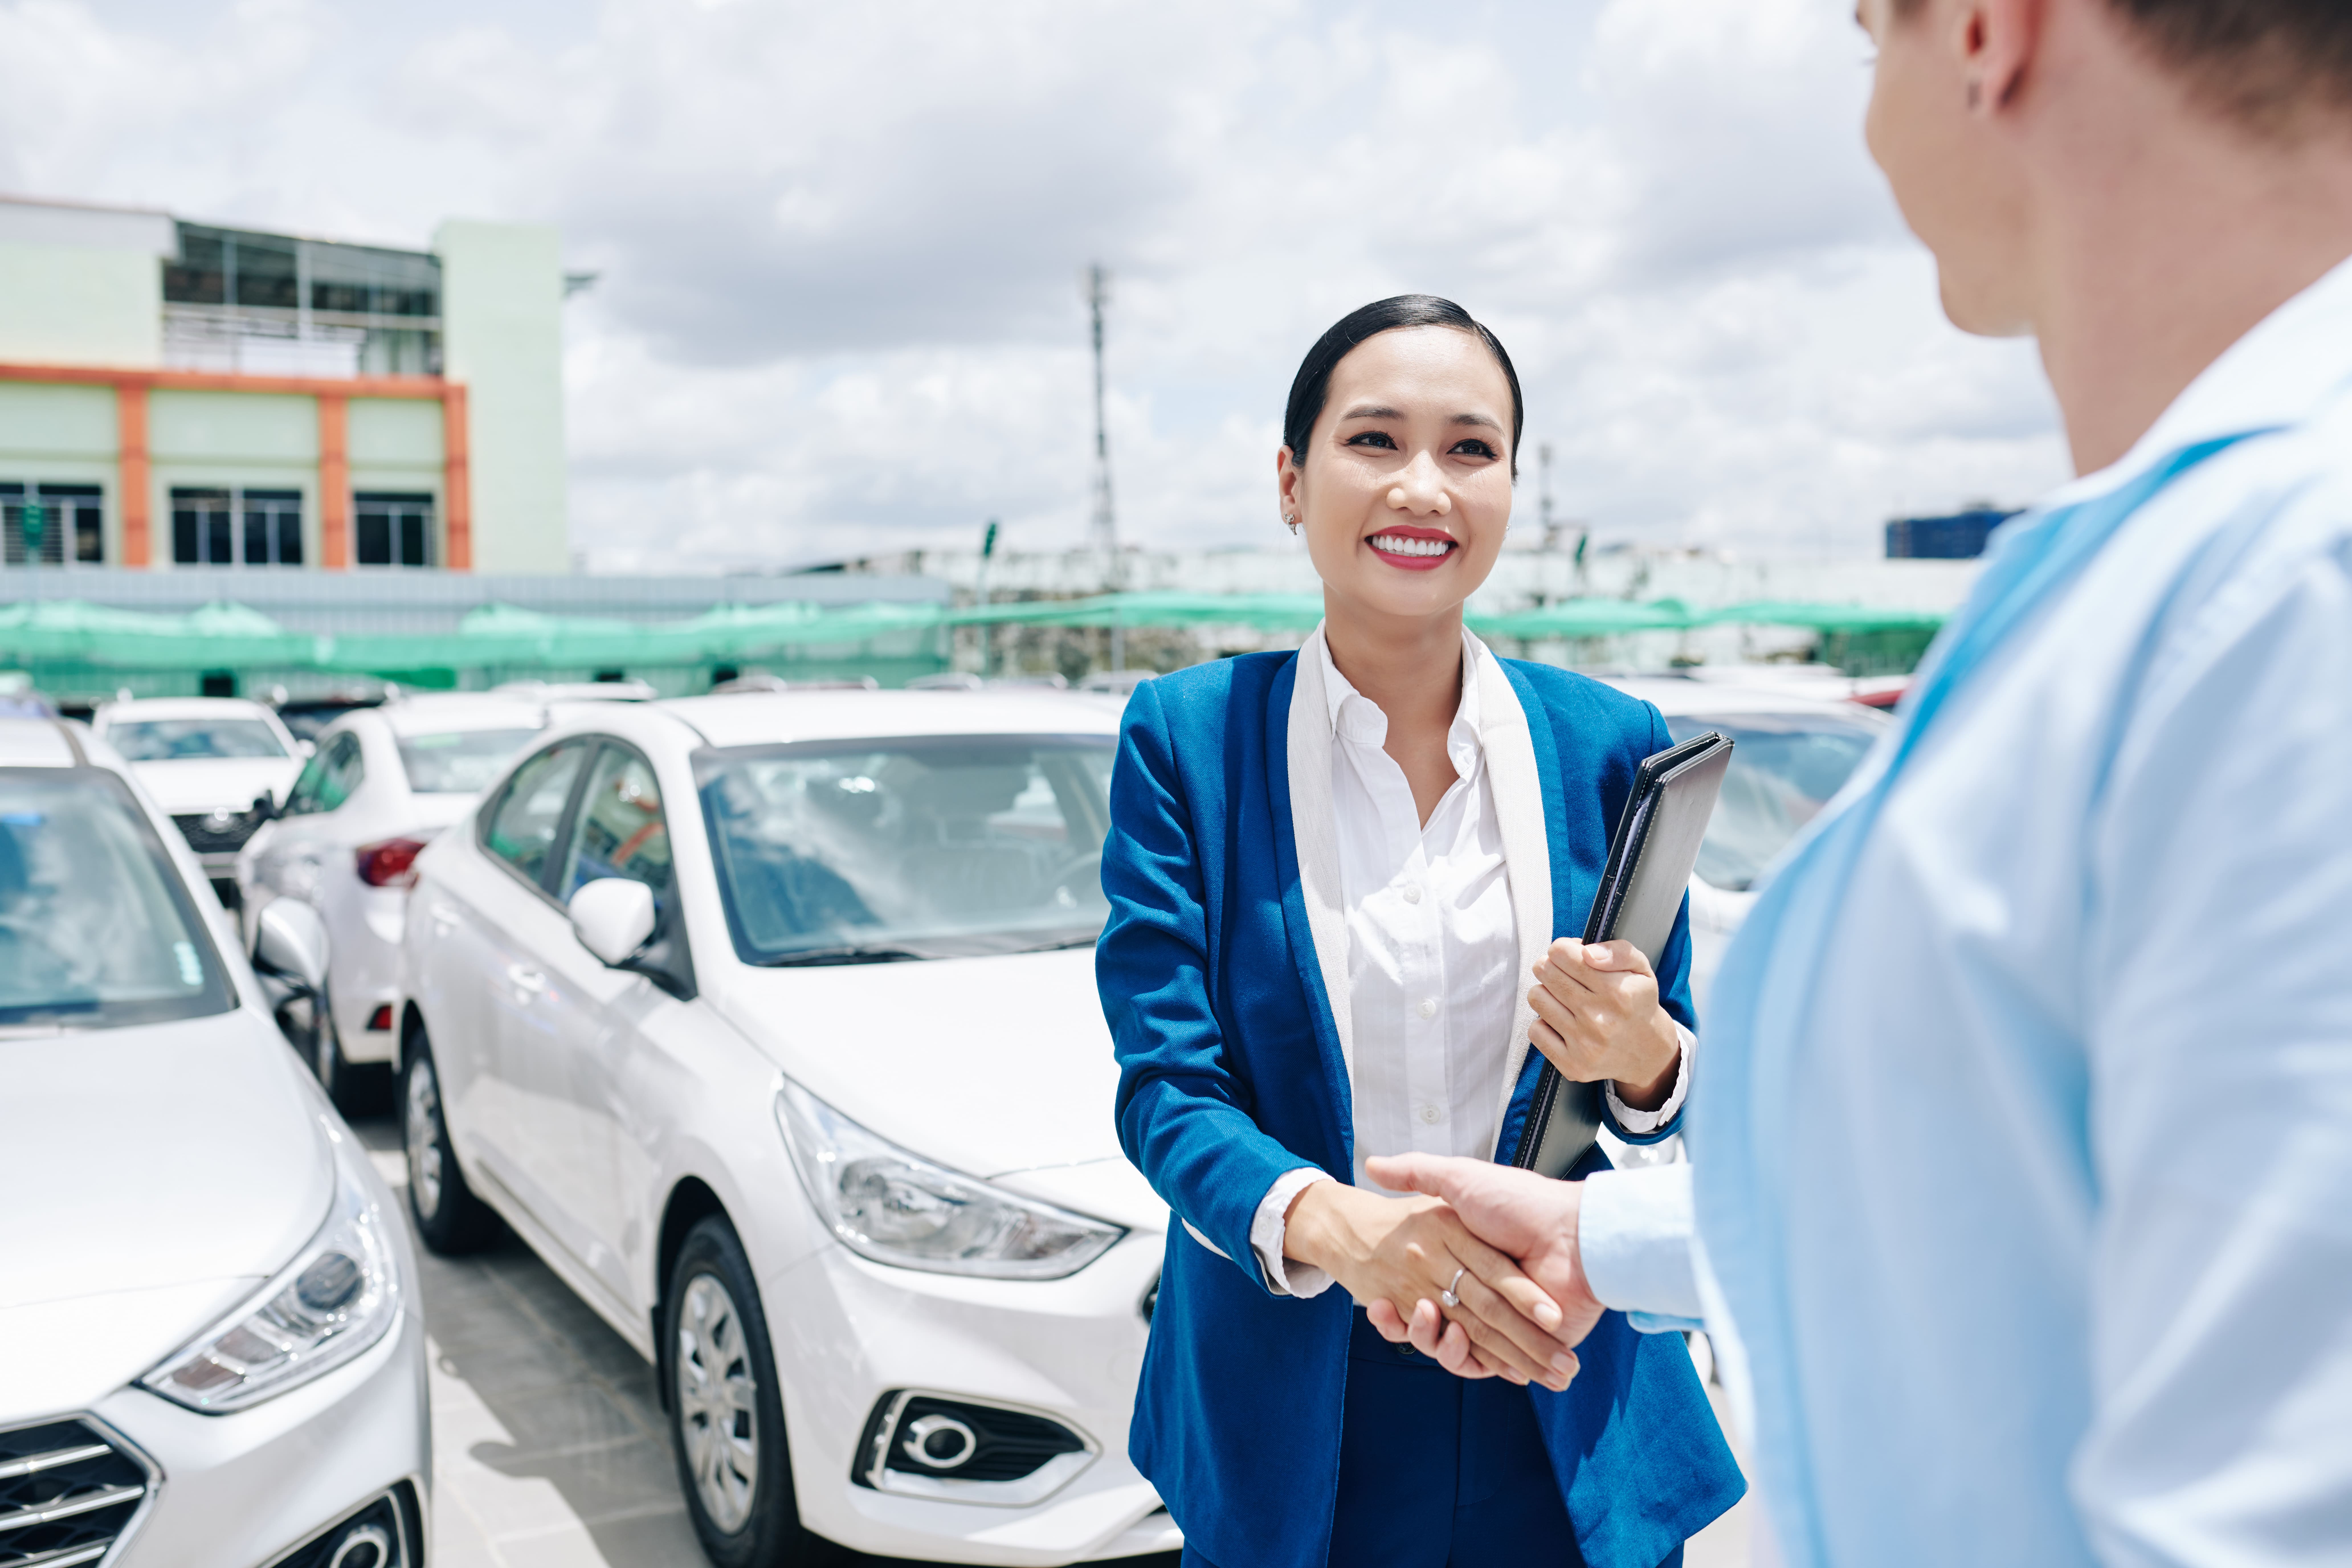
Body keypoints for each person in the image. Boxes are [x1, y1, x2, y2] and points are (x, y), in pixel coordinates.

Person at [1368, 1, 2352, 1564]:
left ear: (1986, 31)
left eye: (1862, 33)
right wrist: (1613, 1237)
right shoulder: (2211, 571)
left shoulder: (2285, 592)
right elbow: (2041, 1224)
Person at [1096, 294, 1744, 1568]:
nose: (1423, 488)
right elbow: (1167, 1086)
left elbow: (1658, 1089)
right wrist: (1349, 1232)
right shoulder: (1189, 737)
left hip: (1560, 1375)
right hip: (1300, 1389)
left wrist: (1653, 1054)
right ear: (1293, 481)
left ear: (1510, 486)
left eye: (1469, 449)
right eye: (1375, 440)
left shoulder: (1610, 743)